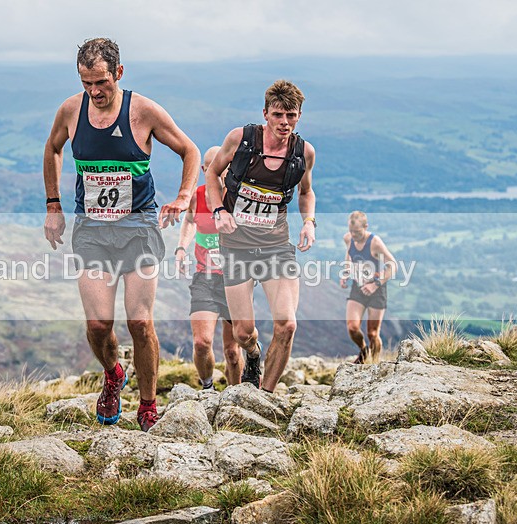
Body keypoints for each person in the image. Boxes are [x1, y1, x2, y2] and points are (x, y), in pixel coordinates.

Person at [43, 38, 200, 431]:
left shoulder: (142, 111)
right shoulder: (71, 110)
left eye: (101, 82)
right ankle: (113, 374)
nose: (95, 91)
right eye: (86, 83)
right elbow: (53, 149)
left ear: (119, 73)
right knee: (98, 324)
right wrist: (53, 206)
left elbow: (190, 150)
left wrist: (183, 198)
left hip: (138, 227)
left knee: (139, 322)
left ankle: (147, 404)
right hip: (93, 228)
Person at [205, 80, 316, 393]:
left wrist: (309, 221)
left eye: (291, 116)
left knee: (287, 323)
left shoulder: (303, 153)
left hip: (276, 247)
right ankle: (253, 355)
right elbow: (212, 174)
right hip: (237, 247)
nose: (284, 122)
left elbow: (306, 192)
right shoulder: (240, 139)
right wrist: (219, 212)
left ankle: (264, 396)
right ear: (265, 113)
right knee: (242, 333)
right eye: (278, 115)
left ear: (299, 116)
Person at [174, 146, 243, 388]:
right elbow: (190, 221)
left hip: (235, 281)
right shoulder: (198, 195)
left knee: (233, 351)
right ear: (205, 170)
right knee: (202, 343)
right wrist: (181, 247)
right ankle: (207, 386)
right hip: (205, 278)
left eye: (223, 167)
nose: (219, 171)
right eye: (213, 167)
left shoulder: (238, 199)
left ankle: (237, 396)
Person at [340, 211, 397, 364]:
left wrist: (375, 284)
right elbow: (349, 256)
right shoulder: (348, 238)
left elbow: (393, 265)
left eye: (357, 232)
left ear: (366, 227)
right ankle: (363, 350)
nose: (354, 235)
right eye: (351, 231)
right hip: (358, 287)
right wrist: (346, 273)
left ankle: (375, 364)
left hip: (377, 290)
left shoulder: (375, 242)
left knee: (372, 333)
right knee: (352, 327)